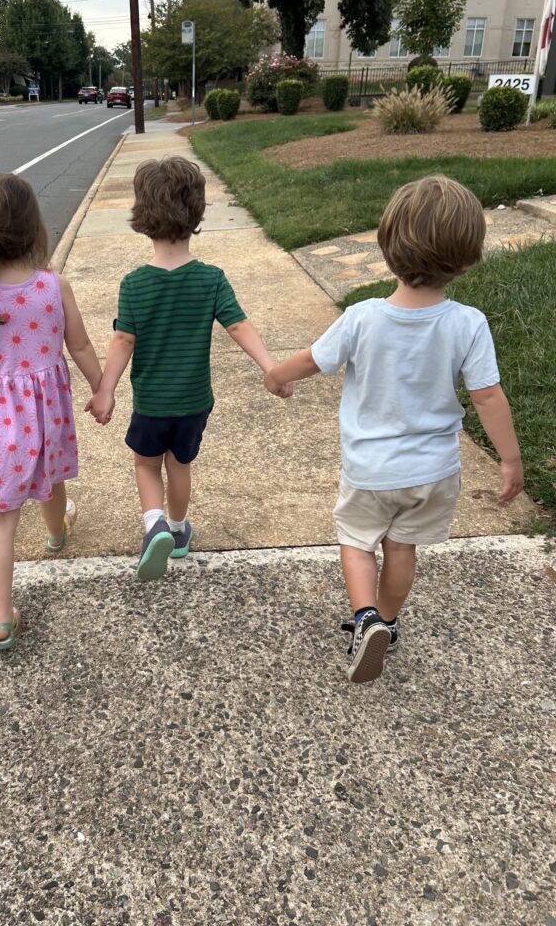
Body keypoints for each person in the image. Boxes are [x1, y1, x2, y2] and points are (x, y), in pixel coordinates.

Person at [264, 174, 523, 684]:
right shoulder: (468, 323)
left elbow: (313, 360)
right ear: (468, 256)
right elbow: (488, 395)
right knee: (401, 548)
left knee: (357, 541)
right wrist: (510, 459)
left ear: (386, 246)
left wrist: (276, 376)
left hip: (370, 469)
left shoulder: (362, 318)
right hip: (434, 471)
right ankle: (387, 621)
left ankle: (365, 619)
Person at [88, 156, 291, 580]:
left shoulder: (135, 284)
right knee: (180, 464)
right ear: (197, 211)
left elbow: (124, 340)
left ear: (142, 216)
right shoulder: (211, 279)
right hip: (194, 402)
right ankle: (178, 532)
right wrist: (272, 368)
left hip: (152, 404)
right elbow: (238, 325)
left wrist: (105, 389)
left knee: (146, 464)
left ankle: (153, 525)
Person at [0, 173, 102, 650]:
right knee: (51, 480)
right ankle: (56, 535)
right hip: (46, 414)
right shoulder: (55, 287)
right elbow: (79, 344)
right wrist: (102, 389)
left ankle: (0, 617)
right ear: (35, 228)